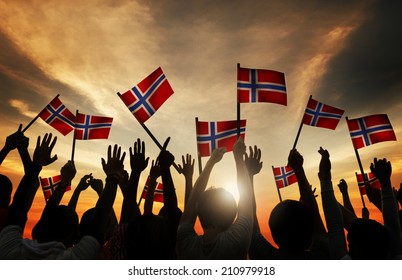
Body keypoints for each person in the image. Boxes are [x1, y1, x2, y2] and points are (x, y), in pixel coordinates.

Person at [176, 137, 253, 259]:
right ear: (233, 214)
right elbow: (246, 197)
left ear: (199, 211)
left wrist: (210, 162)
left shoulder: (186, 244)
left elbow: (192, 204)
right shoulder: (237, 241)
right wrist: (239, 157)